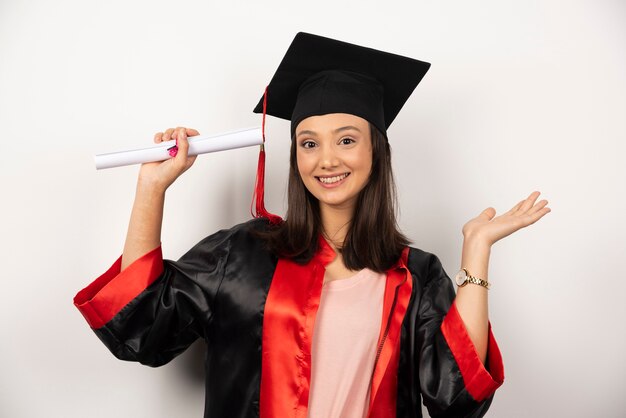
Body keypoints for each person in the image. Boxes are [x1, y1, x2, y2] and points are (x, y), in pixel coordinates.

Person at [73, 32, 550, 418]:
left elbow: (457, 397)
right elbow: (140, 324)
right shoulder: (241, 255)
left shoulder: (416, 277)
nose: (326, 159)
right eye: (308, 143)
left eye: (346, 139)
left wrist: (477, 248)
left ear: (375, 153)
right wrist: (151, 190)